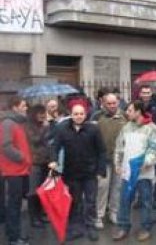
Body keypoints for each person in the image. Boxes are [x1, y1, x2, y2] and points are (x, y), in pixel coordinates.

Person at [49, 102, 107, 242]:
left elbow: (102, 151)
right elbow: (55, 147)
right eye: (76, 114)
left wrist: (101, 170)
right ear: (71, 114)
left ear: (85, 114)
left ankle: (90, 226)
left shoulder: (93, 129)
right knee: (74, 202)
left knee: (90, 201)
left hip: (90, 173)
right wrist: (54, 160)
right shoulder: (62, 129)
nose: (79, 116)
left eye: (81, 114)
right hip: (71, 173)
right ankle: (76, 228)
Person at [112, 100, 156, 242]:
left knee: (146, 201)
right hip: (127, 173)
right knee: (124, 200)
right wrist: (117, 163)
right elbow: (119, 147)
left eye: (129, 110)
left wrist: (145, 163)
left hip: (144, 174)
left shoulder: (152, 128)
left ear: (138, 111)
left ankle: (146, 228)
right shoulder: (126, 127)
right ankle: (123, 227)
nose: (127, 113)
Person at [92, 93, 127, 229]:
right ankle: (99, 215)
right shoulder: (96, 116)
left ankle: (113, 212)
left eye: (114, 103)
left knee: (117, 187)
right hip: (103, 159)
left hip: (120, 159)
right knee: (102, 187)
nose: (112, 106)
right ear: (104, 103)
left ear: (118, 102)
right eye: (109, 103)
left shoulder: (125, 116)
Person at [0, 96, 31, 245]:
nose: (26, 108)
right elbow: (6, 146)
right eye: (24, 106)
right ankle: (14, 238)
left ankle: (13, 233)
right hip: (12, 171)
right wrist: (22, 157)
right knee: (14, 205)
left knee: (16, 204)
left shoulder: (16, 123)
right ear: (15, 107)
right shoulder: (8, 123)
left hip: (18, 170)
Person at [138, 85, 156, 209]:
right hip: (140, 143)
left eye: (148, 92)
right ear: (140, 94)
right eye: (144, 92)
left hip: (155, 144)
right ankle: (141, 198)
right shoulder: (136, 106)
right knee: (141, 171)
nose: (146, 95)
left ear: (151, 94)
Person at [25, 104, 50, 229]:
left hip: (44, 161)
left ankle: (40, 215)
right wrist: (45, 129)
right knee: (33, 191)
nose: (43, 116)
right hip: (34, 163)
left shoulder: (43, 126)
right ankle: (33, 218)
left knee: (41, 190)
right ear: (34, 114)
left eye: (44, 113)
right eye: (40, 113)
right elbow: (34, 139)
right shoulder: (28, 126)